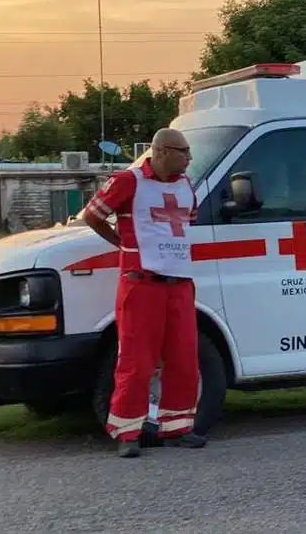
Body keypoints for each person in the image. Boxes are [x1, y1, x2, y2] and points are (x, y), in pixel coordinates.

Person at [83, 127, 205, 457]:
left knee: (184, 358)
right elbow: (92, 216)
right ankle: (127, 432)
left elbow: (185, 222)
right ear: (162, 151)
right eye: (183, 151)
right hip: (141, 283)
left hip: (179, 283)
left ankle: (178, 426)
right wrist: (122, 244)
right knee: (137, 361)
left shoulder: (185, 186)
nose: (189, 158)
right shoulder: (129, 180)